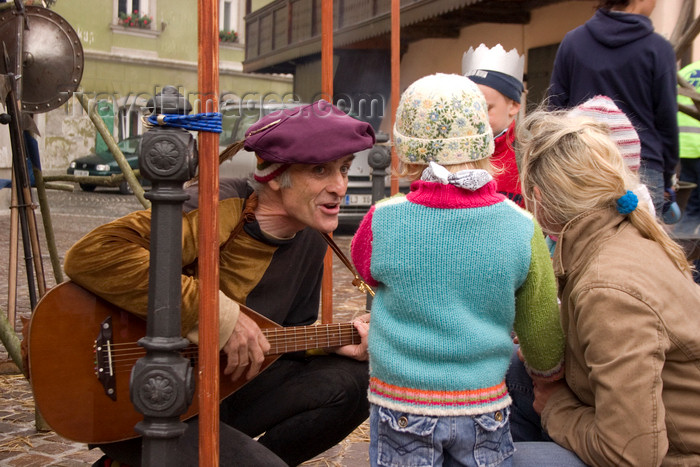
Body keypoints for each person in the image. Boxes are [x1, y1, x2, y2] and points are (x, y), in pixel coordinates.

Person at [63, 100, 375, 466]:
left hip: (225, 387)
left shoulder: (309, 235)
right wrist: (216, 314)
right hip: (149, 394)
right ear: (275, 174)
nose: (340, 186)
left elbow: (283, 334)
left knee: (358, 380)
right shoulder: (216, 204)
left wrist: (330, 343)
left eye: (344, 168)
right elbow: (92, 254)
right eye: (321, 170)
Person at [350, 73, 566, 466]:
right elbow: (541, 328)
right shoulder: (521, 226)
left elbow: (366, 271)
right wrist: (547, 373)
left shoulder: (382, 219)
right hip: (484, 404)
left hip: (401, 401)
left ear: (404, 151)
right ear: (486, 141)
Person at [508, 109, 700, 466]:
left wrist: (556, 409)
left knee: (495, 460)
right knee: (511, 367)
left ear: (538, 200)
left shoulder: (608, 289)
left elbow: (630, 454)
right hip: (656, 437)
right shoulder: (623, 236)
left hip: (675, 456)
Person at [548, 0, 679, 217]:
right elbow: (666, 120)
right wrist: (667, 177)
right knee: (639, 247)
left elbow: (555, 111)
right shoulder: (658, 49)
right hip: (643, 171)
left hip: (583, 166)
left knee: (582, 244)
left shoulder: (572, 42)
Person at [463, 43, 525, 207]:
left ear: (513, 106)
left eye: (485, 108)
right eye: (468, 108)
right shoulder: (454, 153)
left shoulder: (530, 155)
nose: (476, 118)